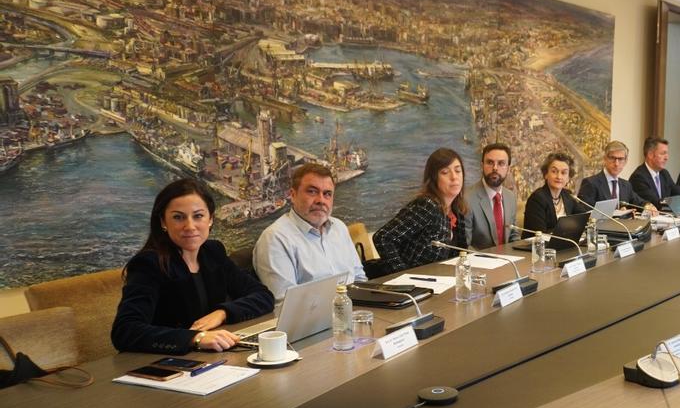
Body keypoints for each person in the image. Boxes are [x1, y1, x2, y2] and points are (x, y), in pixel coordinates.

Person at [112, 179, 274, 354]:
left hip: (216, 355)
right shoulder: (149, 264)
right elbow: (125, 331)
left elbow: (263, 296)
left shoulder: (213, 252)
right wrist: (194, 338)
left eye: (198, 216)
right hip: (170, 363)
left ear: (210, 219)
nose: (190, 226)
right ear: (163, 222)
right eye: (178, 217)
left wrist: (223, 312)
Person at [253, 162, 366, 300]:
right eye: (312, 191)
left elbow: (359, 279)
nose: (321, 200)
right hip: (313, 320)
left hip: (354, 312)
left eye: (327, 194)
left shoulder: (339, 228)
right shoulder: (275, 239)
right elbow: (285, 305)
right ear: (293, 195)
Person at [374, 148, 473, 272]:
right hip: (411, 286)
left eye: (458, 171)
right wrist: (403, 276)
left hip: (440, 281)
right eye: (445, 172)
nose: (454, 177)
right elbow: (383, 237)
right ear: (434, 178)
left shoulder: (457, 210)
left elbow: (461, 254)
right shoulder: (427, 205)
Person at [576, 140, 657, 215]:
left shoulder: (626, 185)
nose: (616, 163)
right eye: (612, 158)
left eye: (620, 159)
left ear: (625, 161)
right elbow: (583, 212)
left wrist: (648, 205)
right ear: (605, 159)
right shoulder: (591, 183)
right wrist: (615, 213)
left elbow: (639, 202)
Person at [465, 143, 519, 249]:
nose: (495, 168)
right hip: (479, 262)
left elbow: (514, 236)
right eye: (490, 162)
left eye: (501, 163)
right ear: (482, 166)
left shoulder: (510, 197)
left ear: (508, 168)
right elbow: (465, 245)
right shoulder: (467, 199)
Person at [523, 152, 582, 234]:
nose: (559, 177)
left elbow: (582, 219)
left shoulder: (567, 196)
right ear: (546, 174)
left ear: (568, 178)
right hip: (538, 245)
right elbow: (539, 234)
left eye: (563, 173)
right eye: (554, 171)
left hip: (563, 245)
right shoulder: (537, 199)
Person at [630, 136, 680, 210]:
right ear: (650, 155)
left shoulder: (664, 173)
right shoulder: (638, 177)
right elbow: (655, 203)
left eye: (667, 153)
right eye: (663, 153)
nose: (666, 158)